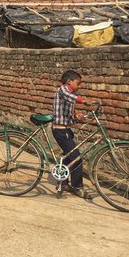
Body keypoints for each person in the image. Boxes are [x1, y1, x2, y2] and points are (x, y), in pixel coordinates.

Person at [52, 70, 88, 199]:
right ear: (69, 82)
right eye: (77, 83)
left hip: (66, 130)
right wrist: (83, 101)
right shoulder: (63, 90)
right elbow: (71, 97)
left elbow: (68, 109)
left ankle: (63, 181)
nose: (79, 86)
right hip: (60, 130)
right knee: (76, 157)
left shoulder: (69, 94)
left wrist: (76, 115)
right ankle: (77, 186)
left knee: (68, 156)